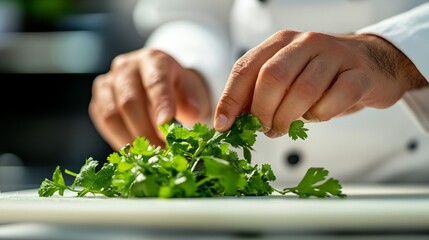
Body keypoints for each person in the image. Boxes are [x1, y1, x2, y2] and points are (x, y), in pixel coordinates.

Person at [89, 0, 429, 186]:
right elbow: (192, 12)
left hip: (410, 195)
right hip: (254, 204)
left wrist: (396, 51)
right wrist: (183, 62)